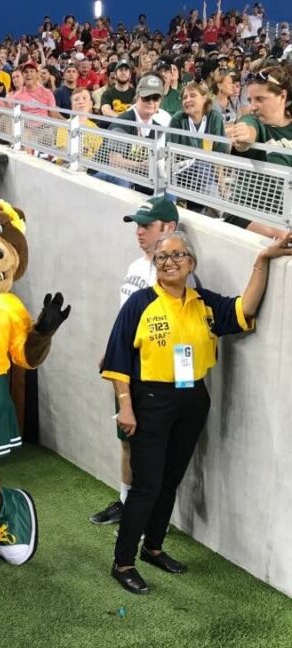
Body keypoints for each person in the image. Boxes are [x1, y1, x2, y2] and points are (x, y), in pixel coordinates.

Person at [101, 230, 292, 594]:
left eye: (177, 256)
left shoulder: (203, 301)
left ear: (191, 263)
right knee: (147, 485)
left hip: (192, 399)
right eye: (162, 257)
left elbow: (244, 309)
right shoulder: (140, 303)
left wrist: (263, 259)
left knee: (171, 479)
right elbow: (118, 359)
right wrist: (126, 406)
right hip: (150, 400)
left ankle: (153, 547)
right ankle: (122, 562)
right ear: (154, 264)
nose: (169, 262)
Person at [90, 196, 180, 526]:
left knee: (149, 447)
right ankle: (126, 502)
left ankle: (150, 515)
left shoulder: (172, 274)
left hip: (152, 376)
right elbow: (125, 317)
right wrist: (112, 348)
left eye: (147, 226)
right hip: (125, 369)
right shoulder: (135, 266)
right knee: (127, 439)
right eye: (137, 226)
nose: (139, 232)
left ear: (168, 227)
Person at [225, 64, 292, 237]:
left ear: (282, 96)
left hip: (285, 216)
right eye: (250, 100)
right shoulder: (254, 122)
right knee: (285, 237)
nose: (253, 106)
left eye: (260, 99)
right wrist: (244, 136)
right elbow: (247, 133)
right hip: (246, 214)